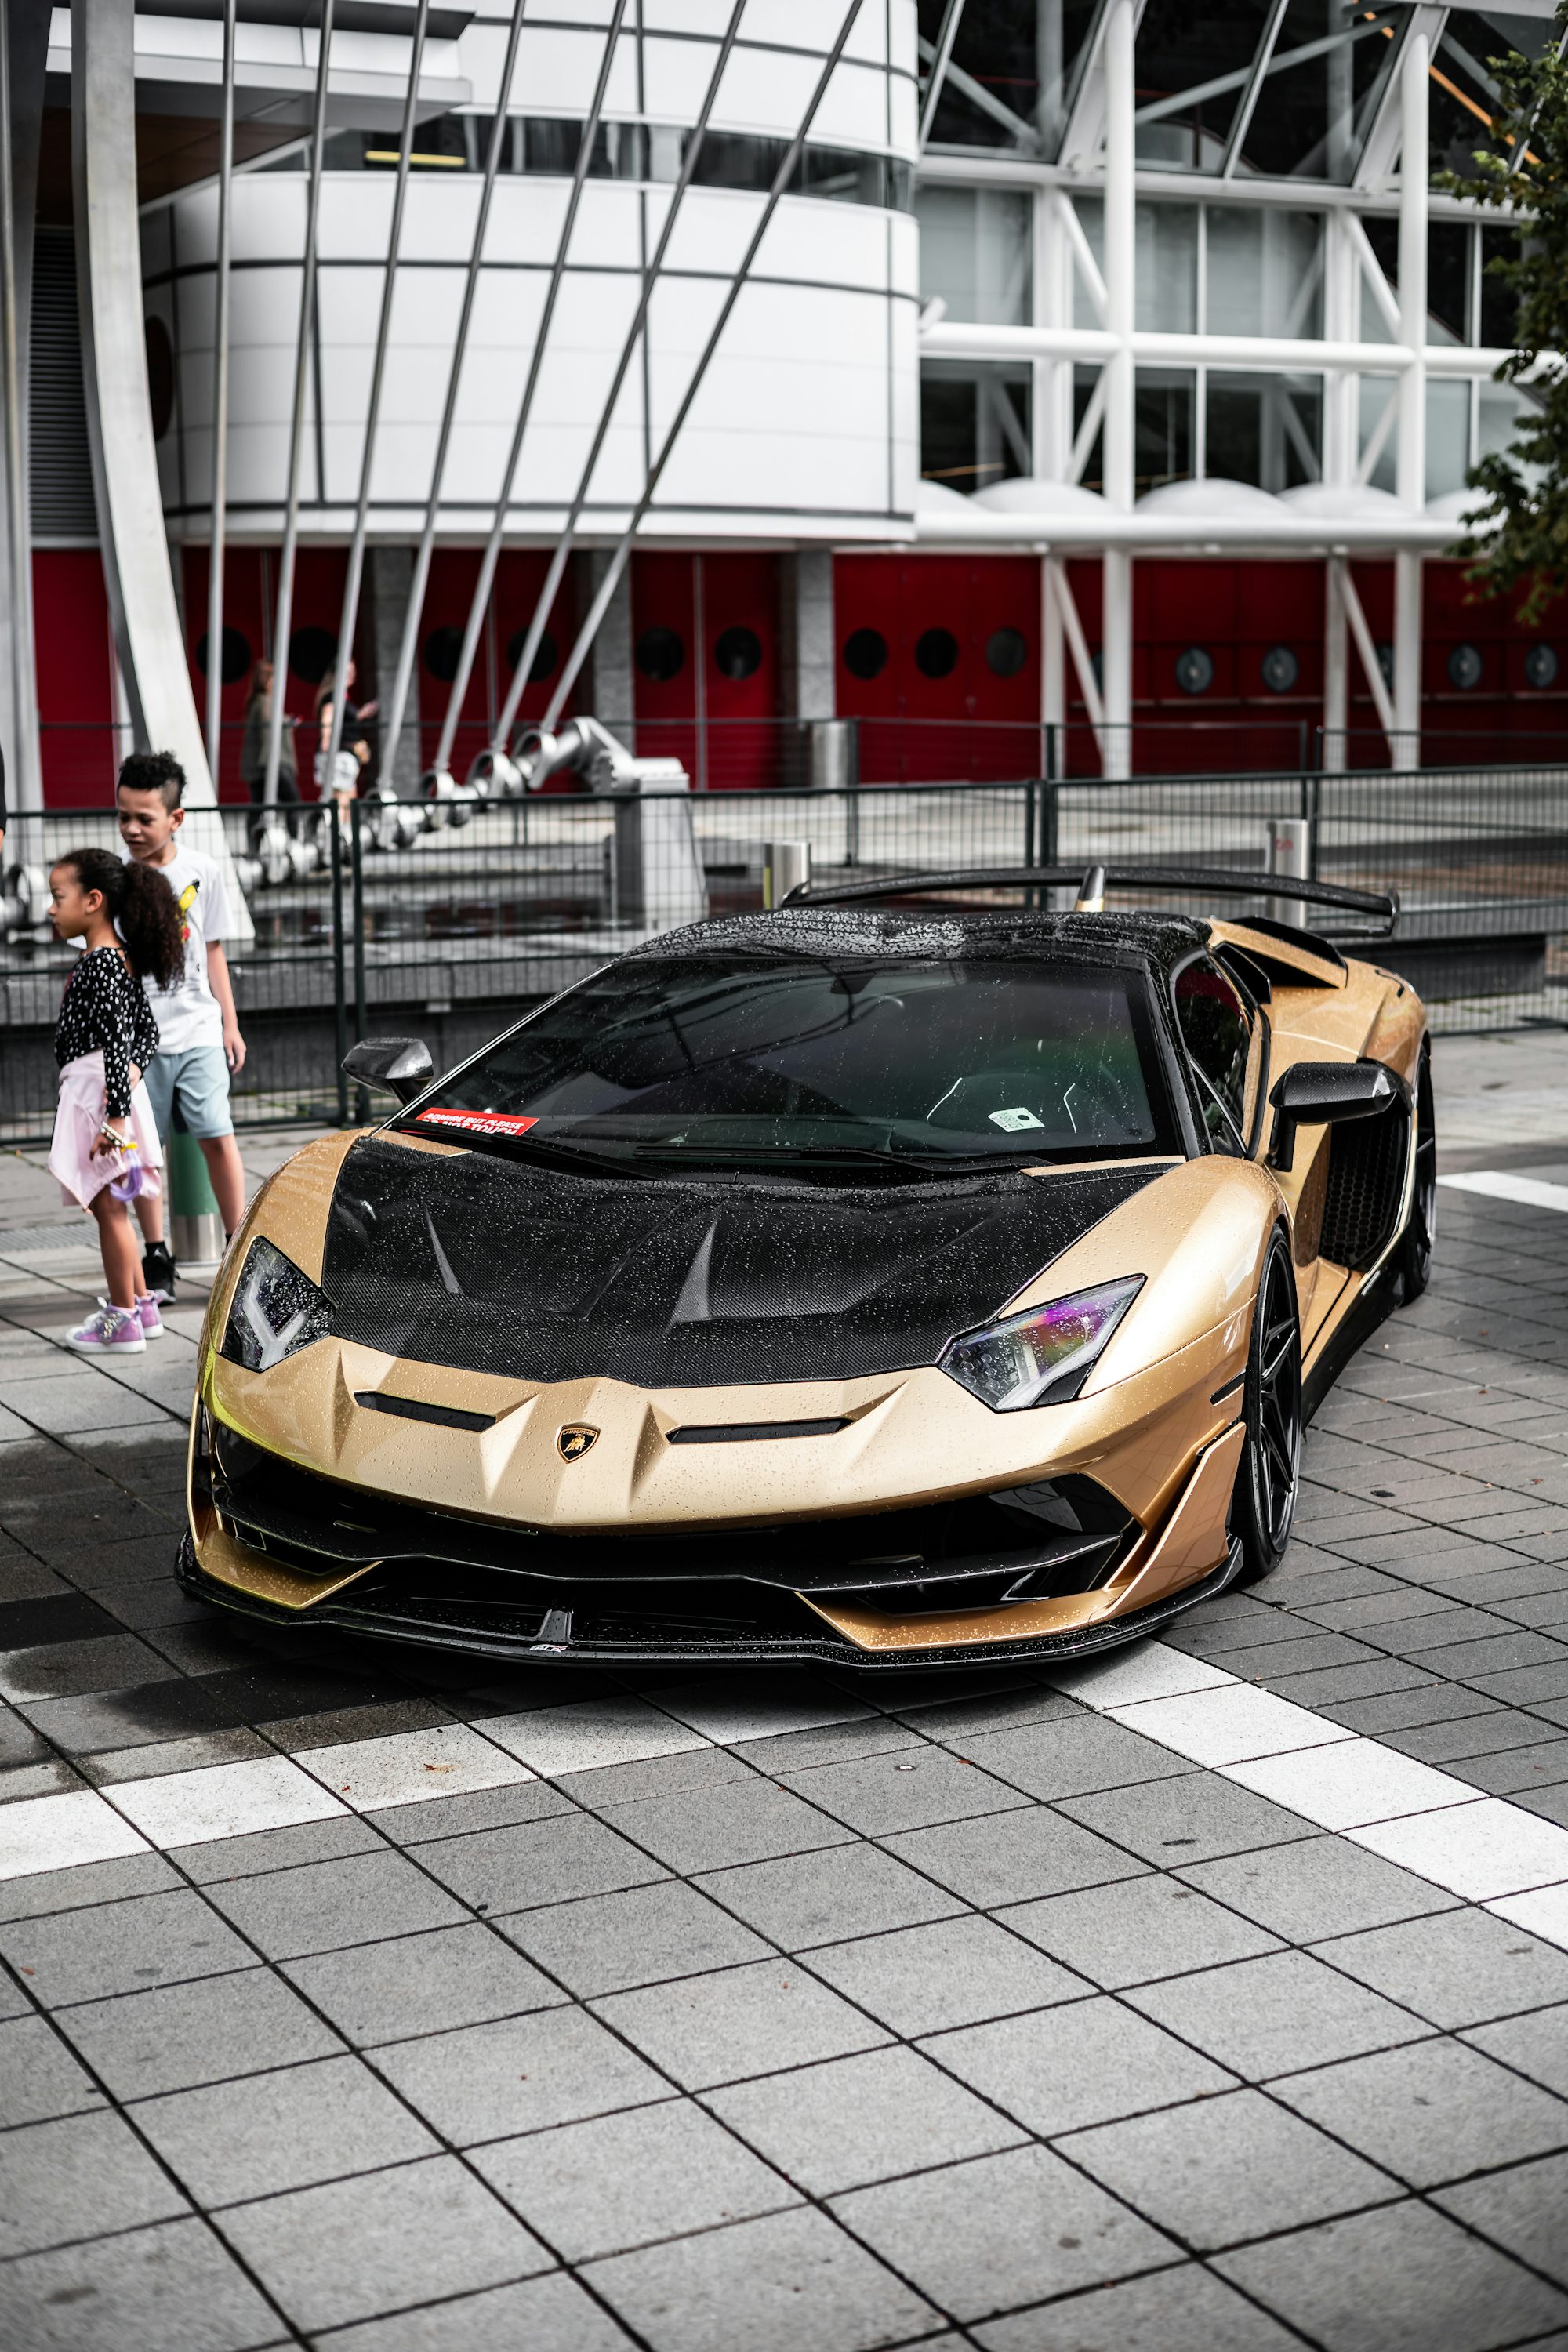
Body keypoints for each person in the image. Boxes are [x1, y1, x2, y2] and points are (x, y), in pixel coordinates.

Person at [115, 750, 248, 1302]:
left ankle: (239, 1250)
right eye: (123, 815)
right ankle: (156, 1254)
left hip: (198, 1029)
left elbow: (213, 951)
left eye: (144, 818)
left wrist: (230, 1024)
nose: (131, 828)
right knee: (145, 1149)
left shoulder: (202, 871)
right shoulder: (113, 880)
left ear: (176, 818)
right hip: (136, 1041)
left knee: (217, 1134)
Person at [45, 848, 183, 1353]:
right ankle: (143, 1306)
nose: (51, 908)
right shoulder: (115, 959)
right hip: (110, 1095)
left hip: (100, 1099)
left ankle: (122, 1320)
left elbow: (120, 1041)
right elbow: (146, 1034)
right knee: (115, 1203)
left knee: (110, 1210)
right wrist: (130, 1080)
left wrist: (117, 1117)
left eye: (58, 896)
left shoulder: (101, 964)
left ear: (93, 900)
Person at [314, 659, 377, 818]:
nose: (352, 675)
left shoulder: (343, 697)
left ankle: (345, 830)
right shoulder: (332, 696)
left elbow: (347, 717)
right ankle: (338, 831)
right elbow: (327, 716)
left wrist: (362, 713)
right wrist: (326, 740)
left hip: (345, 754)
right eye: (348, 672)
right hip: (339, 754)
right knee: (341, 799)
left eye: (353, 671)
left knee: (349, 798)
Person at [240, 660, 300, 824]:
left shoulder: (259, 702)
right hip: (271, 764)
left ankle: (255, 839)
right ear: (266, 680)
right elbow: (268, 734)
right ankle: (293, 837)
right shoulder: (265, 702)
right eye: (274, 679)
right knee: (293, 802)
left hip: (262, 765)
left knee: (258, 807)